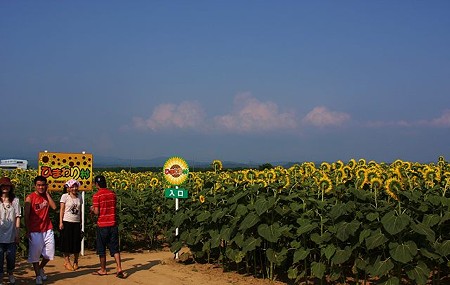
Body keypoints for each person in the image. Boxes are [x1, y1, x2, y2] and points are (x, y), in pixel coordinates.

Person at [90, 175, 127, 278]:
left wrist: (92, 209)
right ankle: (119, 268)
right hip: (113, 224)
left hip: (102, 225)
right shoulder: (112, 194)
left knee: (101, 249)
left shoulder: (97, 196)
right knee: (115, 248)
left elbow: (97, 212)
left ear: (96, 184)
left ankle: (103, 269)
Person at [24, 176, 57, 285]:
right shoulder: (30, 198)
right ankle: (38, 275)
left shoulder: (47, 196)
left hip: (47, 228)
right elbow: (26, 215)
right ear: (35, 186)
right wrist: (28, 230)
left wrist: (47, 194)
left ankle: (40, 268)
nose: (41, 187)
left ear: (46, 185)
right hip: (35, 230)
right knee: (35, 255)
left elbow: (54, 207)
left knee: (49, 253)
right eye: (39, 185)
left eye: (43, 185)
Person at [0, 177, 21, 285]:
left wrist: (17, 233)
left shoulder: (15, 200)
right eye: (3, 185)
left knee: (11, 257)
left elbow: (18, 217)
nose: (5, 187)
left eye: (7, 185)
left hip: (11, 234)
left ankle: (11, 273)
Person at [59, 179, 83, 271]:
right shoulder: (65, 196)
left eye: (76, 186)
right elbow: (62, 210)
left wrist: (80, 222)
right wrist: (60, 222)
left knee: (76, 242)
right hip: (67, 221)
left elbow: (80, 210)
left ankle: (76, 261)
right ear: (68, 188)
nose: (74, 188)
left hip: (76, 222)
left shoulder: (79, 197)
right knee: (67, 242)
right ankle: (67, 261)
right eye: (72, 186)